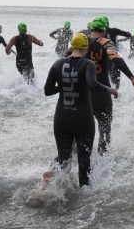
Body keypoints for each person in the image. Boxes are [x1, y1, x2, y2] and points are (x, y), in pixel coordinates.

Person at [44, 33, 118, 186]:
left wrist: (63, 86)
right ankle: (83, 200)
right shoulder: (88, 64)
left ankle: (49, 180)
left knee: (64, 158)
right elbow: (92, 84)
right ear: (85, 48)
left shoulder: (57, 64)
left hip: (61, 118)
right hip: (82, 119)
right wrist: (109, 89)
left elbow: (48, 90)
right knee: (84, 163)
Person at [86, 17, 134, 154]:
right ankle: (102, 163)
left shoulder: (82, 41)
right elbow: (116, 59)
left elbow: (68, 58)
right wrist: (132, 78)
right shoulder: (106, 42)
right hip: (102, 91)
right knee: (104, 130)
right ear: (104, 29)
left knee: (82, 130)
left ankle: (75, 161)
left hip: (84, 93)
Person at [102, 16, 132, 88]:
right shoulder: (114, 30)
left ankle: (108, 90)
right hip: (114, 56)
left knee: (106, 75)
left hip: (104, 58)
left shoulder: (100, 33)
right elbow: (128, 34)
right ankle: (117, 91)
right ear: (108, 23)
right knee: (116, 74)